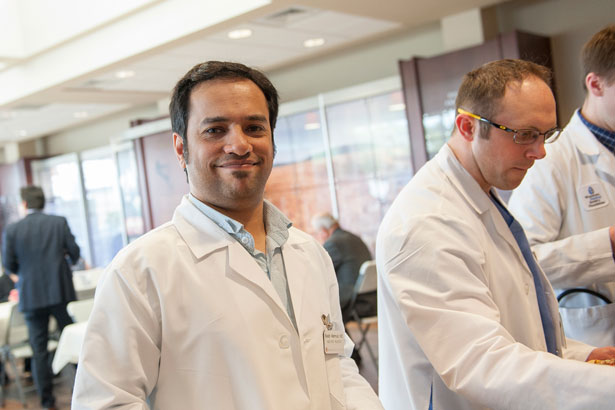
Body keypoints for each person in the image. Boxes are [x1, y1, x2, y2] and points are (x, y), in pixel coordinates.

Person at [72, 61, 382, 410]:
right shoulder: (139, 272)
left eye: (254, 127)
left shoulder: (309, 253)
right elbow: (105, 403)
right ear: (180, 148)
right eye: (215, 130)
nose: (238, 145)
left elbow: (337, 366)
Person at [377, 59, 615, 410]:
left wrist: (580, 354)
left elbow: (513, 326)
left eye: (546, 134)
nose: (540, 151)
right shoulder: (426, 223)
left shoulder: (481, 198)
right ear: (468, 127)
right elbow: (482, 363)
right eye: (525, 135)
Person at [508, 25, 615, 346]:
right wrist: (607, 246)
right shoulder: (550, 160)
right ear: (595, 84)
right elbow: (522, 263)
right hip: (595, 339)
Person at [2, 185, 80, 410]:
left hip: (31, 296)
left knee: (39, 349)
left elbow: (9, 265)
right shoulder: (59, 223)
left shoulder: (14, 230)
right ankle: (85, 390)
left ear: (24, 204)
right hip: (60, 292)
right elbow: (75, 253)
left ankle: (47, 402)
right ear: (43, 202)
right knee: (74, 340)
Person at [311, 213, 375, 321]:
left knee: (314, 306)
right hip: (372, 299)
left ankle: (337, 338)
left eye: (318, 233)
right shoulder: (356, 238)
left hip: (353, 303)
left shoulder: (332, 244)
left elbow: (318, 273)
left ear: (323, 230)